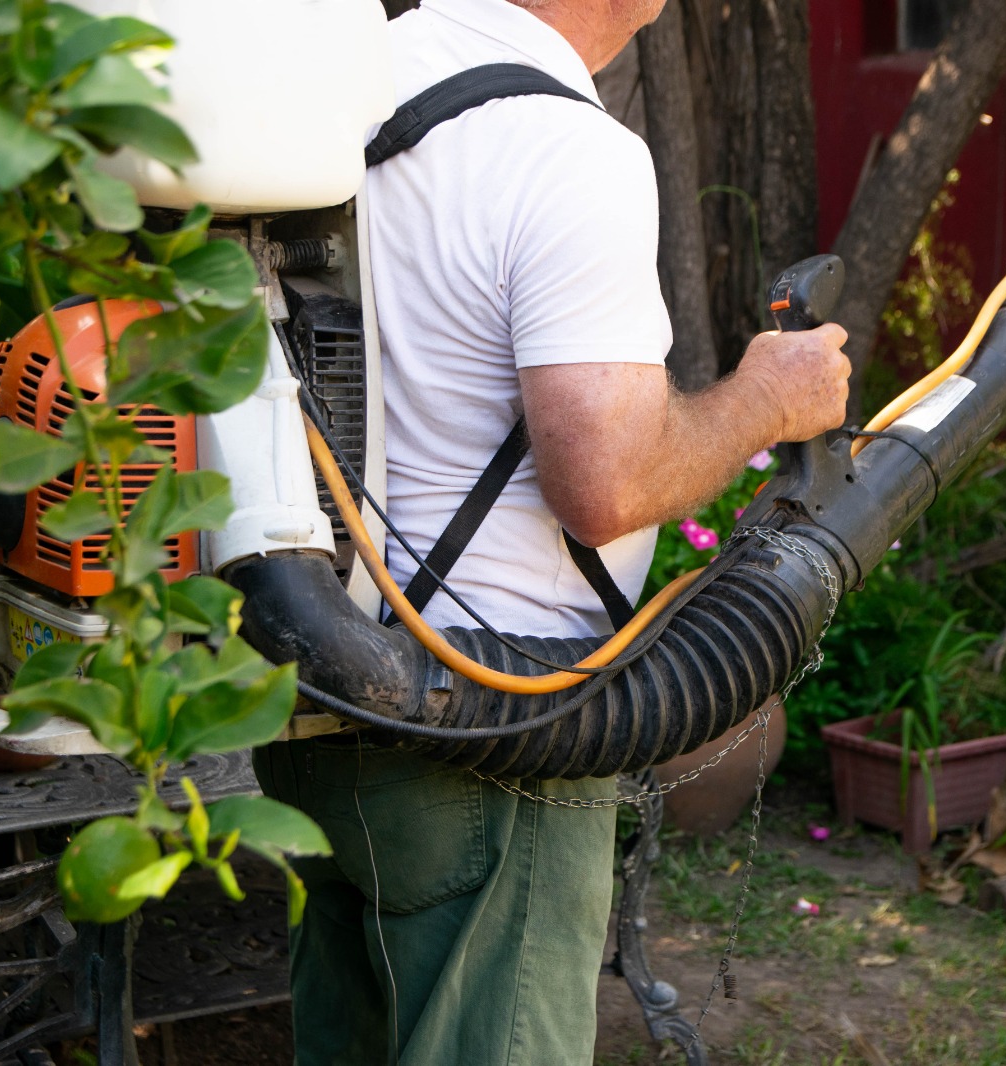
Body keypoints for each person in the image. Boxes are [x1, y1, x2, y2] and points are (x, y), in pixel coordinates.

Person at [251, 0, 851, 1061]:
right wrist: (768, 397)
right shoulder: (566, 149)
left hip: (315, 697)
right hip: (494, 750)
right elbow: (606, 480)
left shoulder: (337, 92)